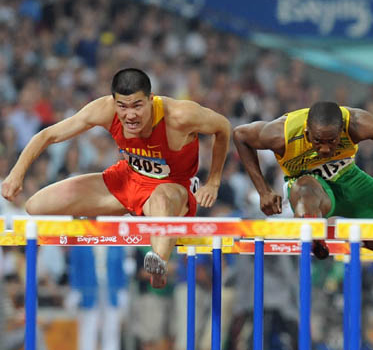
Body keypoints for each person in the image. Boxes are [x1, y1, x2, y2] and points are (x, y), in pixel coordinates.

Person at [1, 68, 231, 287]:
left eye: (137, 106)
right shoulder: (104, 109)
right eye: (122, 106)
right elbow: (48, 135)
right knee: (36, 205)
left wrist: (214, 181)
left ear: (151, 99)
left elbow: (223, 127)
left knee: (162, 197)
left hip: (172, 188)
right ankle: (123, 218)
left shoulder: (181, 115)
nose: (130, 115)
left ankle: (158, 262)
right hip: (126, 180)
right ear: (113, 102)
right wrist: (16, 174)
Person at [233, 101, 373, 262]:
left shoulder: (355, 122)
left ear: (341, 129)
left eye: (332, 141)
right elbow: (240, 135)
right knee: (307, 188)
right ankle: (313, 232)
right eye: (318, 141)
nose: (325, 149)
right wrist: (263, 191)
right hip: (308, 187)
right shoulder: (280, 133)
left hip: (350, 179)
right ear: (306, 131)